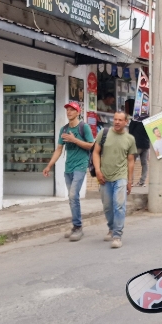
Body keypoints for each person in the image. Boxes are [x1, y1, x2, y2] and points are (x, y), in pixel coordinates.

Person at [44, 101, 94, 241]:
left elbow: (91, 146)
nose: (69, 112)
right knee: (72, 198)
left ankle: (78, 227)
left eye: (72, 110)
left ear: (78, 112)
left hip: (80, 166)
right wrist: (49, 166)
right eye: (67, 110)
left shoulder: (84, 127)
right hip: (68, 168)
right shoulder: (64, 130)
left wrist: (75, 140)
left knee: (73, 195)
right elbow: (59, 149)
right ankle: (75, 226)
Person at [92, 111, 137, 249]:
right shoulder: (104, 133)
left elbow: (130, 161)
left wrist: (129, 181)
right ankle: (111, 228)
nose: (117, 122)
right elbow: (95, 152)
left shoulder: (130, 139)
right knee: (107, 206)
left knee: (119, 205)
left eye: (120, 120)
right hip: (104, 176)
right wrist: (98, 171)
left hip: (121, 176)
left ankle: (117, 235)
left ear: (125, 122)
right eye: (115, 119)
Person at [125, 99, 151, 187]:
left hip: (136, 144)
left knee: (131, 161)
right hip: (146, 144)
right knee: (144, 163)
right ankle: (142, 181)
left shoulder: (135, 119)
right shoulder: (148, 119)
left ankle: (130, 181)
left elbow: (130, 132)